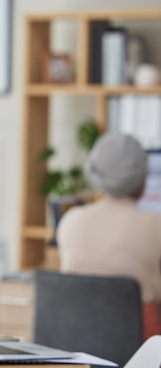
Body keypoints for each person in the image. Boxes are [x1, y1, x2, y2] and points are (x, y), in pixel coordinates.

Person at [57, 132, 161, 339]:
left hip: (79, 347)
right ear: (141, 177)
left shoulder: (70, 220)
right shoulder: (155, 225)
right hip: (141, 350)